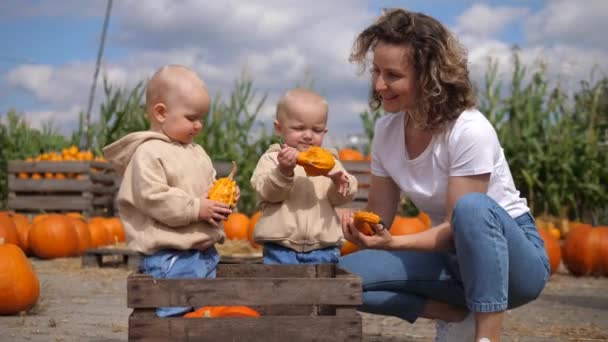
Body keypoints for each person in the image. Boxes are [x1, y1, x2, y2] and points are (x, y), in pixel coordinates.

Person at [338, 9, 550, 342]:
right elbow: (379, 217)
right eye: (376, 71)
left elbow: (459, 226)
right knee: (338, 281)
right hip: (448, 260)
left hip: (511, 263)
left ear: (428, 76)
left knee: (473, 209)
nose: (379, 84)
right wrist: (332, 218)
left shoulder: (469, 130)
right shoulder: (386, 131)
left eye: (392, 75)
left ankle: (486, 336)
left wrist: (394, 243)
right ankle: (451, 312)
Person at [104, 64, 235, 317]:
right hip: (172, 257)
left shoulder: (197, 153)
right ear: (161, 113)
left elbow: (208, 191)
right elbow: (155, 199)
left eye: (201, 119)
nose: (198, 126)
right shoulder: (148, 153)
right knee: (176, 315)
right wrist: (196, 208)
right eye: (191, 118)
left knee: (204, 314)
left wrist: (224, 199)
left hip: (203, 252)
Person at [251, 88, 358, 265]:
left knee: (322, 292)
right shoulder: (271, 159)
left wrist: (339, 181)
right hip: (280, 246)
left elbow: (339, 198)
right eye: (299, 128)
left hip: (323, 246)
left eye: (316, 130)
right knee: (278, 289)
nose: (308, 135)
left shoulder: (330, 163)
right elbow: (269, 193)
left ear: (325, 132)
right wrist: (283, 172)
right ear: (279, 128)